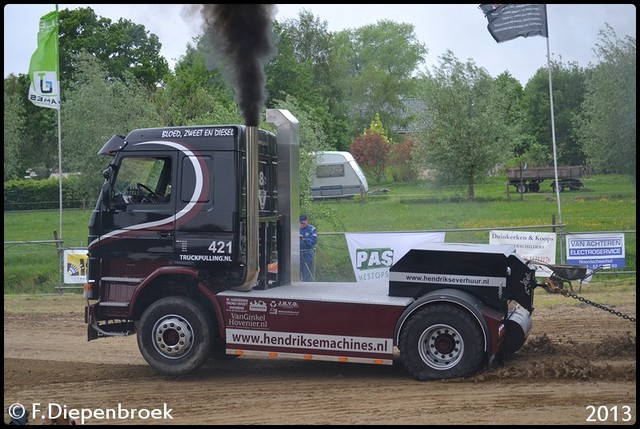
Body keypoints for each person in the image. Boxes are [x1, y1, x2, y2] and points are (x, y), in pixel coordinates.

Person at [299, 215, 318, 281]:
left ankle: (307, 288)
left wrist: (304, 239)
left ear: (307, 221)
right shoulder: (295, 229)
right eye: (301, 223)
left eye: (304, 223)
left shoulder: (312, 229)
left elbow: (313, 242)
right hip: (297, 253)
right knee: (295, 274)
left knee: (306, 273)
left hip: (307, 253)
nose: (302, 224)